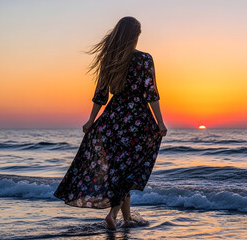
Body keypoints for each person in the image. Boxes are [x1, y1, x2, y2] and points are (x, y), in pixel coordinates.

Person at [53, 16, 167, 230]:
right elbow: (151, 94)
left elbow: (100, 95)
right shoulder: (144, 59)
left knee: (120, 170)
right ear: (135, 35)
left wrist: (91, 120)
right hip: (137, 120)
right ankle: (113, 215)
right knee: (128, 171)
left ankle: (126, 217)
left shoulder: (109, 59)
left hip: (113, 120)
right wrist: (160, 122)